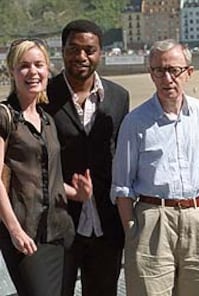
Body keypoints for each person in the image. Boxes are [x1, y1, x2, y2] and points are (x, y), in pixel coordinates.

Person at [111, 39, 199, 296]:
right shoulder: (135, 121)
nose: (167, 78)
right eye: (159, 70)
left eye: (174, 70)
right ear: (151, 74)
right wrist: (132, 232)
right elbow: (122, 186)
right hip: (152, 219)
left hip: (198, 218)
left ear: (189, 73)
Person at [44, 19, 130, 296]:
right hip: (57, 222)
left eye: (89, 50)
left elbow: (120, 152)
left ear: (100, 52)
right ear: (63, 50)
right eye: (74, 48)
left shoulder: (119, 97)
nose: (81, 56)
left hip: (106, 223)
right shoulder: (43, 95)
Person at [0, 39, 92, 296]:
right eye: (24, 66)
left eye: (39, 65)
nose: (33, 72)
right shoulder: (5, 116)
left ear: (48, 69)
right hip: (26, 236)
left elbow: (47, 181)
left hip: (61, 232)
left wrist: (79, 194)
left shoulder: (47, 120)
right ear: (12, 71)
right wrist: (14, 230)